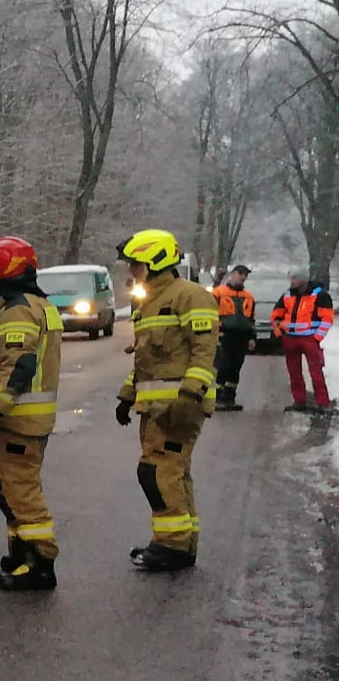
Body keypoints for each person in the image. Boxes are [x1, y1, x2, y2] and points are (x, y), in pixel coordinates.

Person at [116, 228, 217, 573]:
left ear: (156, 261)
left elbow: (204, 352)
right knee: (173, 474)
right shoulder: (149, 301)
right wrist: (127, 396)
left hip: (178, 407)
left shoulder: (190, 296)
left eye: (136, 263)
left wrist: (190, 396)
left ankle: (170, 546)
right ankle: (181, 544)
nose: (131, 270)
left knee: (157, 473)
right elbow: (148, 360)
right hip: (154, 409)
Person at [0, 235, 63, 591]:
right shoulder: (37, 304)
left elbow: (17, 366)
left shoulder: (19, 309)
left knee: (20, 492)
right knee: (7, 488)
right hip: (24, 419)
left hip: (18, 420)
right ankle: (22, 551)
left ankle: (40, 562)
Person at [272, 271, 334, 413]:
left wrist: (317, 337)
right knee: (294, 372)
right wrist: (279, 332)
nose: (292, 281)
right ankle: (299, 400)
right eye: (291, 278)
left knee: (315, 372)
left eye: (294, 278)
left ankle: (323, 402)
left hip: (309, 339)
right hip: (290, 339)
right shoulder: (287, 295)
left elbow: (327, 318)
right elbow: (275, 315)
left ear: (303, 279)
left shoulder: (319, 295)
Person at [211, 264, 257, 411]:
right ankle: (217, 398)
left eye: (245, 275)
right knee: (223, 366)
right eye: (240, 273)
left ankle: (229, 398)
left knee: (236, 367)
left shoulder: (248, 296)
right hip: (224, 334)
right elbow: (209, 314)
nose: (243, 277)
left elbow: (251, 319)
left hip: (241, 336)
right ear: (232, 274)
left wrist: (252, 338)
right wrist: (216, 333)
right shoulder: (218, 293)